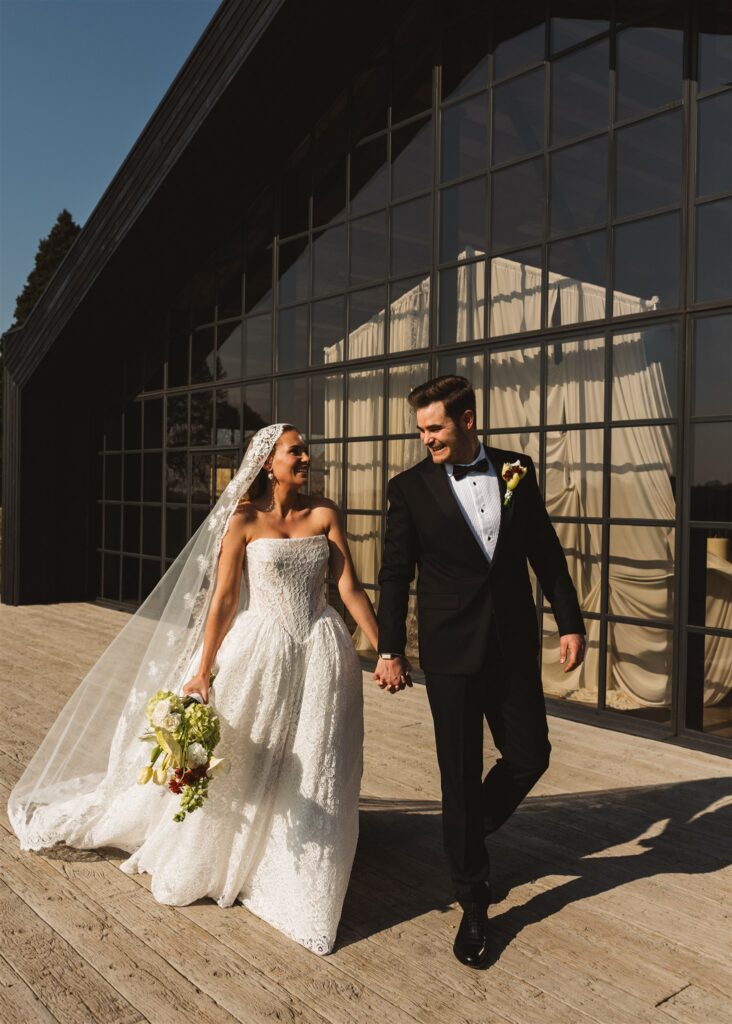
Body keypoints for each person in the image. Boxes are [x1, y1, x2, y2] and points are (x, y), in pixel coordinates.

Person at [8, 423, 378, 955]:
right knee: (251, 750)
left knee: (317, 752)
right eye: (295, 451)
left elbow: (347, 586)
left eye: (304, 451)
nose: (306, 457)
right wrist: (203, 669)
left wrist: (386, 649)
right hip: (260, 647)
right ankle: (232, 852)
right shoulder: (244, 520)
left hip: (321, 648)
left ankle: (303, 867)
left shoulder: (325, 514)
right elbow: (224, 599)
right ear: (268, 463)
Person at [373, 376, 585, 968]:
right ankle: (473, 901)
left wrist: (570, 622)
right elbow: (395, 575)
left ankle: (464, 831)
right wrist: (390, 648)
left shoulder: (518, 469)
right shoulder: (409, 489)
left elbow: (544, 550)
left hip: (513, 644)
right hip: (450, 652)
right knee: (459, 773)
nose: (426, 439)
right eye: (421, 430)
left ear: (468, 419)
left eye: (435, 428)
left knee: (530, 754)